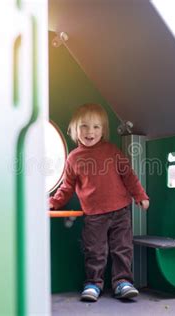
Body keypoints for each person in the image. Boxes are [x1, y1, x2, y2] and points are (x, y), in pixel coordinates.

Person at [49, 103, 150, 302]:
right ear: (74, 130)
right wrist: (53, 202)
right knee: (95, 250)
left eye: (96, 127)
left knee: (122, 248)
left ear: (103, 130)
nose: (90, 132)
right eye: (84, 126)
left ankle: (122, 282)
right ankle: (93, 283)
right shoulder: (73, 159)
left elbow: (128, 175)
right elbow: (67, 187)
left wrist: (140, 196)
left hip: (120, 210)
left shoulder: (112, 151)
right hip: (94, 215)